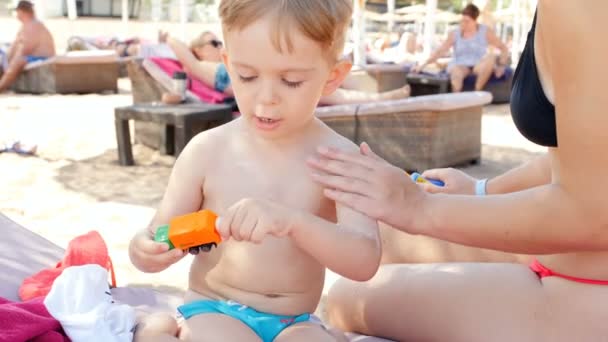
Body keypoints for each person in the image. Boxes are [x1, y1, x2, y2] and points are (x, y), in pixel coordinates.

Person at [309, 2, 608, 341]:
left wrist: (417, 208)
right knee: (382, 244)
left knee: (346, 299)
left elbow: (593, 215)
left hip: (586, 290)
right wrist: (482, 192)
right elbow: (581, 158)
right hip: (573, 256)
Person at [129, 0, 382, 341]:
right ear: (229, 66)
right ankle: (156, 329)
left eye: (291, 81)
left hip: (295, 321)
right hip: (216, 307)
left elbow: (363, 261)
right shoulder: (208, 150)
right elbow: (158, 235)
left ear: (332, 77)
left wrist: (294, 222)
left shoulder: (340, 160)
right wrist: (145, 250)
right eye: (247, 77)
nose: (266, 98)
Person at [162, 30, 411, 105]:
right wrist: (169, 38)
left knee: (334, 81)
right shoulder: (208, 67)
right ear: (197, 50)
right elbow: (188, 61)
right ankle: (383, 98)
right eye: (213, 42)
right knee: (336, 95)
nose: (218, 45)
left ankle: (380, 97)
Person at [412, 3, 509, 92]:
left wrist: (501, 65)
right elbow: (440, 51)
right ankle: (457, 99)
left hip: (478, 64)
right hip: (459, 64)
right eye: (462, 20)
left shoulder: (485, 31)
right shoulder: (455, 33)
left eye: (467, 21)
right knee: (456, 73)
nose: (463, 24)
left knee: (490, 57)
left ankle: (476, 92)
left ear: (475, 21)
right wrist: (422, 65)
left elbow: (504, 48)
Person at [0, 1, 55, 93]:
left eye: (17, 12)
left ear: (22, 12)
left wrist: (11, 61)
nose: (16, 15)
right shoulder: (26, 25)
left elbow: (27, 49)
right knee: (6, 58)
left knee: (18, 61)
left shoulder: (34, 25)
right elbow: (16, 45)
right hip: (33, 56)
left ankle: (1, 87)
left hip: (42, 57)